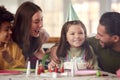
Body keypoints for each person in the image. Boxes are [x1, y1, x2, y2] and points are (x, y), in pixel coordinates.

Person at [12, 1, 49, 69]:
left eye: (41, 20)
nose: (41, 25)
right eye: (36, 22)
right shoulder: (11, 40)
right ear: (24, 23)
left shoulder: (38, 37)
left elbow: (45, 60)